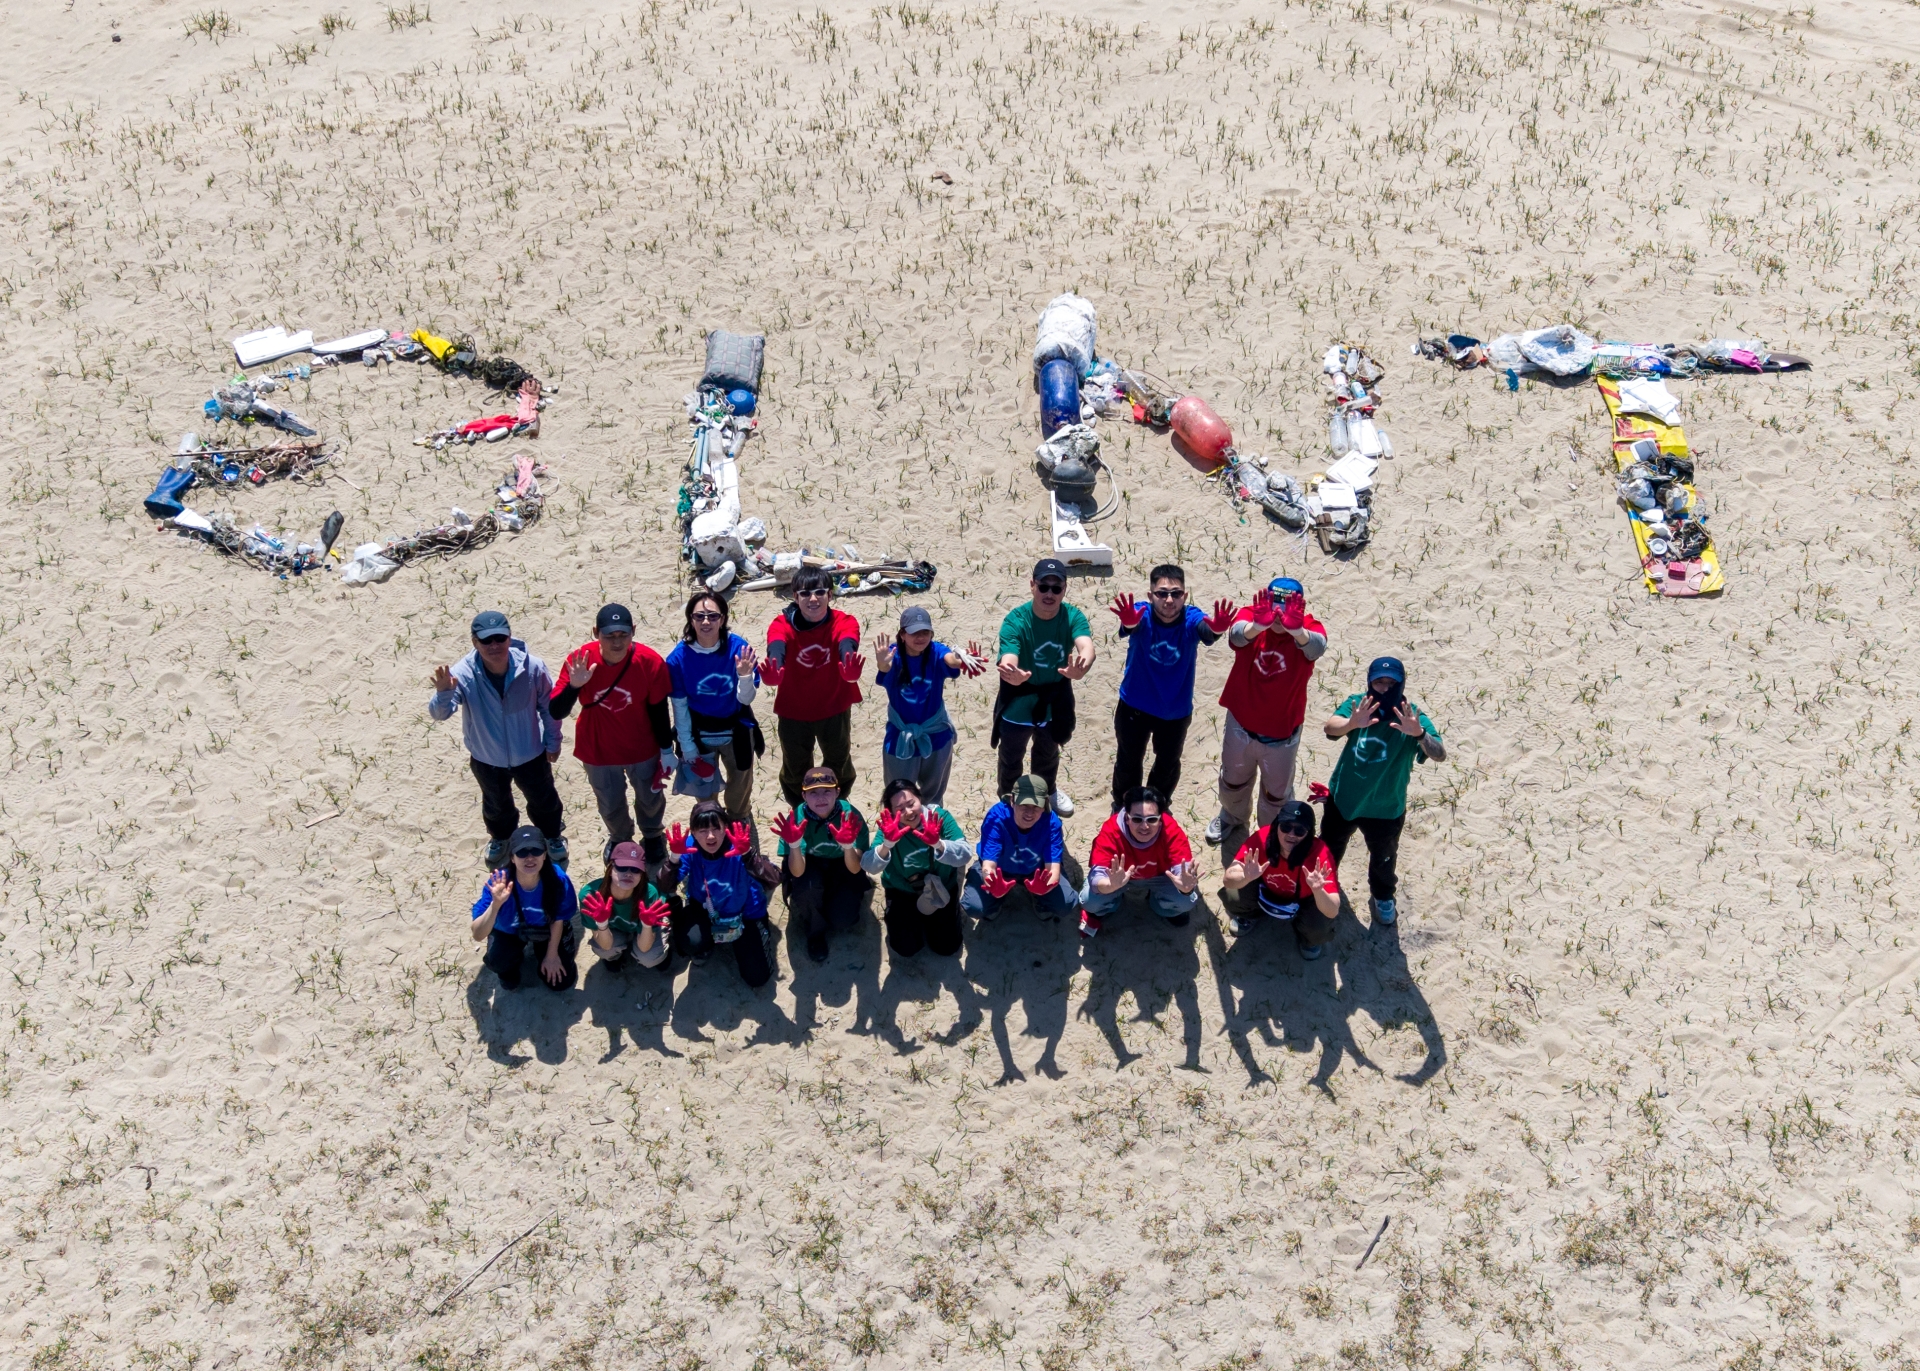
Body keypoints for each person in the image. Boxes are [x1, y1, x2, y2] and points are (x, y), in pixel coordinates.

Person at [430, 609, 567, 869]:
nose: (494, 645)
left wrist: (553, 741)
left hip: (530, 753)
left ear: (509, 637)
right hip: (486, 757)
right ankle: (501, 838)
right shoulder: (463, 673)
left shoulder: (533, 666)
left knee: (544, 799)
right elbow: (440, 714)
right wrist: (444, 693)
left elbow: (548, 708)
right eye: (486, 640)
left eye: (499, 638)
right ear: (474, 642)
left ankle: (552, 835)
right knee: (496, 804)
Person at [1204, 578, 1329, 850]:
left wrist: (1298, 632)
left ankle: (1272, 832)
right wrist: (1257, 626)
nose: (1279, 617)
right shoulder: (1253, 616)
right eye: (1276, 607)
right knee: (1232, 781)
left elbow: (1317, 648)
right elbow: (1236, 637)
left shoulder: (1309, 628)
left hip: (1281, 734)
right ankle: (1232, 817)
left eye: (1286, 610)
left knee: (1276, 794)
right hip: (1241, 725)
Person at [1320, 656, 1444, 928]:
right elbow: (1330, 728)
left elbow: (1440, 754)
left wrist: (1419, 734)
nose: (1385, 689)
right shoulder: (1359, 703)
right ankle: (1324, 887)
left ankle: (1383, 896)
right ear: (1370, 682)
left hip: (1386, 808)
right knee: (1329, 849)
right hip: (1344, 799)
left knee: (1384, 859)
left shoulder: (1413, 716)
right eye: (1379, 682)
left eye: (1391, 683)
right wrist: (1352, 723)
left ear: (1402, 684)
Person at [549, 603, 674, 868]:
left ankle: (652, 835)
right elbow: (556, 710)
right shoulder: (579, 660)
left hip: (641, 746)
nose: (617, 642)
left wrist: (666, 749)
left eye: (623, 634)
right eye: (609, 635)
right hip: (598, 749)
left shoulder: (649, 662)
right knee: (609, 801)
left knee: (650, 798)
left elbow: (659, 709)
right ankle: (620, 837)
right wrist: (575, 686)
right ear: (596, 632)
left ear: (633, 632)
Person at [1108, 564, 1235, 811]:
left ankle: (1158, 806)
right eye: (1162, 593)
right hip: (1135, 705)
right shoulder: (1141, 613)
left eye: (1176, 593)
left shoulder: (1191, 617)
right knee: (1128, 761)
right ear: (1150, 595)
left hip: (1175, 712)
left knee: (1167, 765)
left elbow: (1205, 630)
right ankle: (1123, 805)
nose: (1169, 600)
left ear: (1184, 596)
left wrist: (1216, 629)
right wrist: (1130, 624)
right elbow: (1131, 623)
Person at [992, 557, 1094, 816]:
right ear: (1032, 586)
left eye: (1056, 588)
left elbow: (1085, 644)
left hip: (1055, 699)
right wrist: (1011, 672)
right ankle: (1008, 799)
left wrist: (1082, 665)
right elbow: (1009, 653)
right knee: (1011, 757)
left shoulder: (1072, 615)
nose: (1049, 593)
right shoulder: (1016, 619)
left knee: (1048, 754)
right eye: (1043, 586)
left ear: (1064, 589)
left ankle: (1047, 792)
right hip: (1018, 700)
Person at [762, 569, 864, 807]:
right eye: (805, 593)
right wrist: (774, 665)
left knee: (838, 761)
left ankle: (838, 803)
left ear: (830, 595)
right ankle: (800, 808)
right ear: (795, 598)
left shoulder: (843, 621)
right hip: (794, 710)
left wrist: (848, 661)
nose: (813, 599)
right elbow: (777, 642)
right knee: (795, 766)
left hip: (834, 706)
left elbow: (846, 639)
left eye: (820, 592)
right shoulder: (782, 624)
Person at [664, 591, 762, 828]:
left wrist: (745, 675)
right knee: (705, 791)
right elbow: (679, 706)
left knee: (740, 784)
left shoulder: (740, 649)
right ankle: (712, 823)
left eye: (712, 616)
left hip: (736, 727)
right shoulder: (678, 658)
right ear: (691, 619)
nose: (706, 622)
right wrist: (687, 747)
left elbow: (746, 698)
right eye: (699, 616)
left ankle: (739, 820)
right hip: (700, 732)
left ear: (723, 618)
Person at [873, 607, 984, 807]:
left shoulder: (935, 650)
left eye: (925, 632)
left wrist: (962, 658)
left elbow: (950, 658)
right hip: (902, 737)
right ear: (902, 634)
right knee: (899, 795)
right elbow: (885, 668)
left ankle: (931, 831)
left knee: (933, 796)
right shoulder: (893, 655)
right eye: (914, 632)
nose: (920, 637)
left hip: (936, 734)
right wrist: (882, 664)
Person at [862, 778, 973, 958]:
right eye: (899, 809)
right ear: (891, 812)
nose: (908, 812)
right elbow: (869, 866)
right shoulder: (889, 828)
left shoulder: (940, 818)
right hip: (903, 889)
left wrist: (938, 844)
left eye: (911, 803)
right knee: (905, 948)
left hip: (941, 885)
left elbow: (966, 854)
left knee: (947, 947)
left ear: (920, 798)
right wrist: (887, 844)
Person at [669, 800, 775, 987]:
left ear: (726, 827)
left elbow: (773, 879)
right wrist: (674, 858)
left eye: (716, 828)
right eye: (702, 830)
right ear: (692, 832)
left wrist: (750, 856)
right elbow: (666, 884)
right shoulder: (689, 846)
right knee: (689, 942)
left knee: (757, 978)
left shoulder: (738, 845)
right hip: (706, 910)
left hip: (744, 913)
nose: (710, 836)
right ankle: (708, 943)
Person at [774, 765, 871, 963]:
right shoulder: (796, 818)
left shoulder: (851, 816)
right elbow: (797, 871)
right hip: (809, 864)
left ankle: (833, 902)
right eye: (813, 793)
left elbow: (855, 868)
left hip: (842, 862)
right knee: (807, 890)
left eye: (827, 791)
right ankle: (815, 932)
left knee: (844, 919)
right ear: (803, 796)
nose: (820, 798)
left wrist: (847, 846)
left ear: (837, 791)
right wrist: (794, 845)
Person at [1220, 800, 1341, 959]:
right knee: (1232, 894)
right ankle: (1249, 915)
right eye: (1285, 827)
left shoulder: (1319, 855)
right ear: (1276, 825)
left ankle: (1309, 940)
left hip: (1306, 898)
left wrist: (1318, 890)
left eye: (1299, 830)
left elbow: (1332, 910)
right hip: (1265, 886)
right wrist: (1245, 876)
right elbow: (1228, 880)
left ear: (1309, 833)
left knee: (1318, 927)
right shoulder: (1262, 838)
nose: (1291, 834)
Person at [1077, 786, 1201, 939]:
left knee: (1185, 901)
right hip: (1118, 879)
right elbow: (1097, 876)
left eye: (1152, 819)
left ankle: (1160, 906)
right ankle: (1110, 905)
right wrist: (1110, 885)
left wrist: (1185, 888)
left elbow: (1180, 868)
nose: (1144, 826)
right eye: (1137, 819)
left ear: (1160, 820)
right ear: (1127, 818)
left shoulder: (1171, 830)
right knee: (1090, 901)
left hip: (1160, 877)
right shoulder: (1111, 830)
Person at [470, 824, 579, 989]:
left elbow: (558, 919)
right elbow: (478, 934)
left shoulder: (557, 879)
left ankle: (544, 952)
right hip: (510, 932)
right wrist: (496, 905)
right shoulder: (498, 882)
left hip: (546, 929)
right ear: (512, 858)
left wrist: (552, 955)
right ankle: (511, 968)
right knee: (498, 961)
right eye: (521, 852)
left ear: (544, 855)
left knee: (561, 982)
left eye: (536, 851)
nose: (530, 858)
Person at [961, 773, 1075, 922]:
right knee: (974, 906)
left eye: (1036, 806)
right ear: (1012, 801)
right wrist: (992, 882)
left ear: (1045, 805)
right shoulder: (997, 817)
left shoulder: (1051, 823)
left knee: (1065, 903)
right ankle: (996, 901)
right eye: (1024, 805)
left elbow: (1053, 868)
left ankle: (1040, 900)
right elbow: (988, 864)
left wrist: (1045, 887)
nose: (1029, 812)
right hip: (1001, 871)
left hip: (1037, 872)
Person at [578, 841, 673, 972]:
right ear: (611, 868)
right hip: (614, 928)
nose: (628, 873)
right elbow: (605, 946)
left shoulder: (650, 894)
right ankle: (616, 956)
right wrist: (601, 923)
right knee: (605, 951)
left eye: (635, 869)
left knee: (650, 957)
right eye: (622, 867)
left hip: (644, 929)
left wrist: (646, 925)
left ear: (642, 874)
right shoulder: (590, 896)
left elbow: (645, 947)